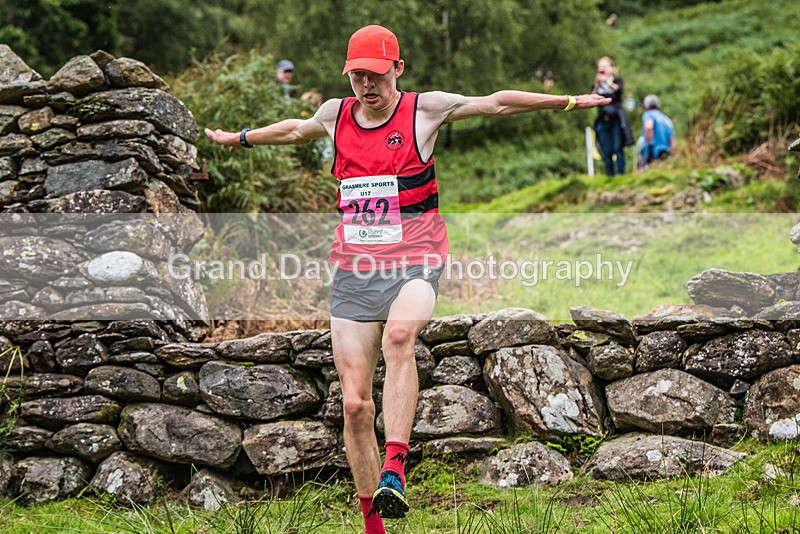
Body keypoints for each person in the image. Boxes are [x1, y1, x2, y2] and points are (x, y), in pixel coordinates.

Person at [205, 24, 609, 534]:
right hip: (355, 268)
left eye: (374, 75)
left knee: (400, 336)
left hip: (417, 258)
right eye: (356, 76)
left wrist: (569, 101)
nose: (366, 87)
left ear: (397, 67)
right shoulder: (336, 115)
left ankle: (395, 466)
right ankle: (374, 525)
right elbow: (293, 130)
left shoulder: (425, 109)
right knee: (353, 405)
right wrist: (238, 138)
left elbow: (498, 103)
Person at [591, 56, 634, 176]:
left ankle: (621, 173)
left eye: (604, 66)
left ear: (612, 68)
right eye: (600, 66)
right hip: (602, 118)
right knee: (606, 149)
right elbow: (591, 97)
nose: (602, 68)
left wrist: (607, 82)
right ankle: (609, 176)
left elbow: (618, 91)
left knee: (617, 147)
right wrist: (597, 85)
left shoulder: (617, 81)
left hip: (616, 119)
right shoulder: (597, 84)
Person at [639, 94, 676, 168]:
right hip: (666, 152)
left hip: (653, 150)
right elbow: (672, 140)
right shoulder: (666, 119)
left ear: (646, 106)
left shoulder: (648, 115)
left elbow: (648, 127)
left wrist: (649, 146)